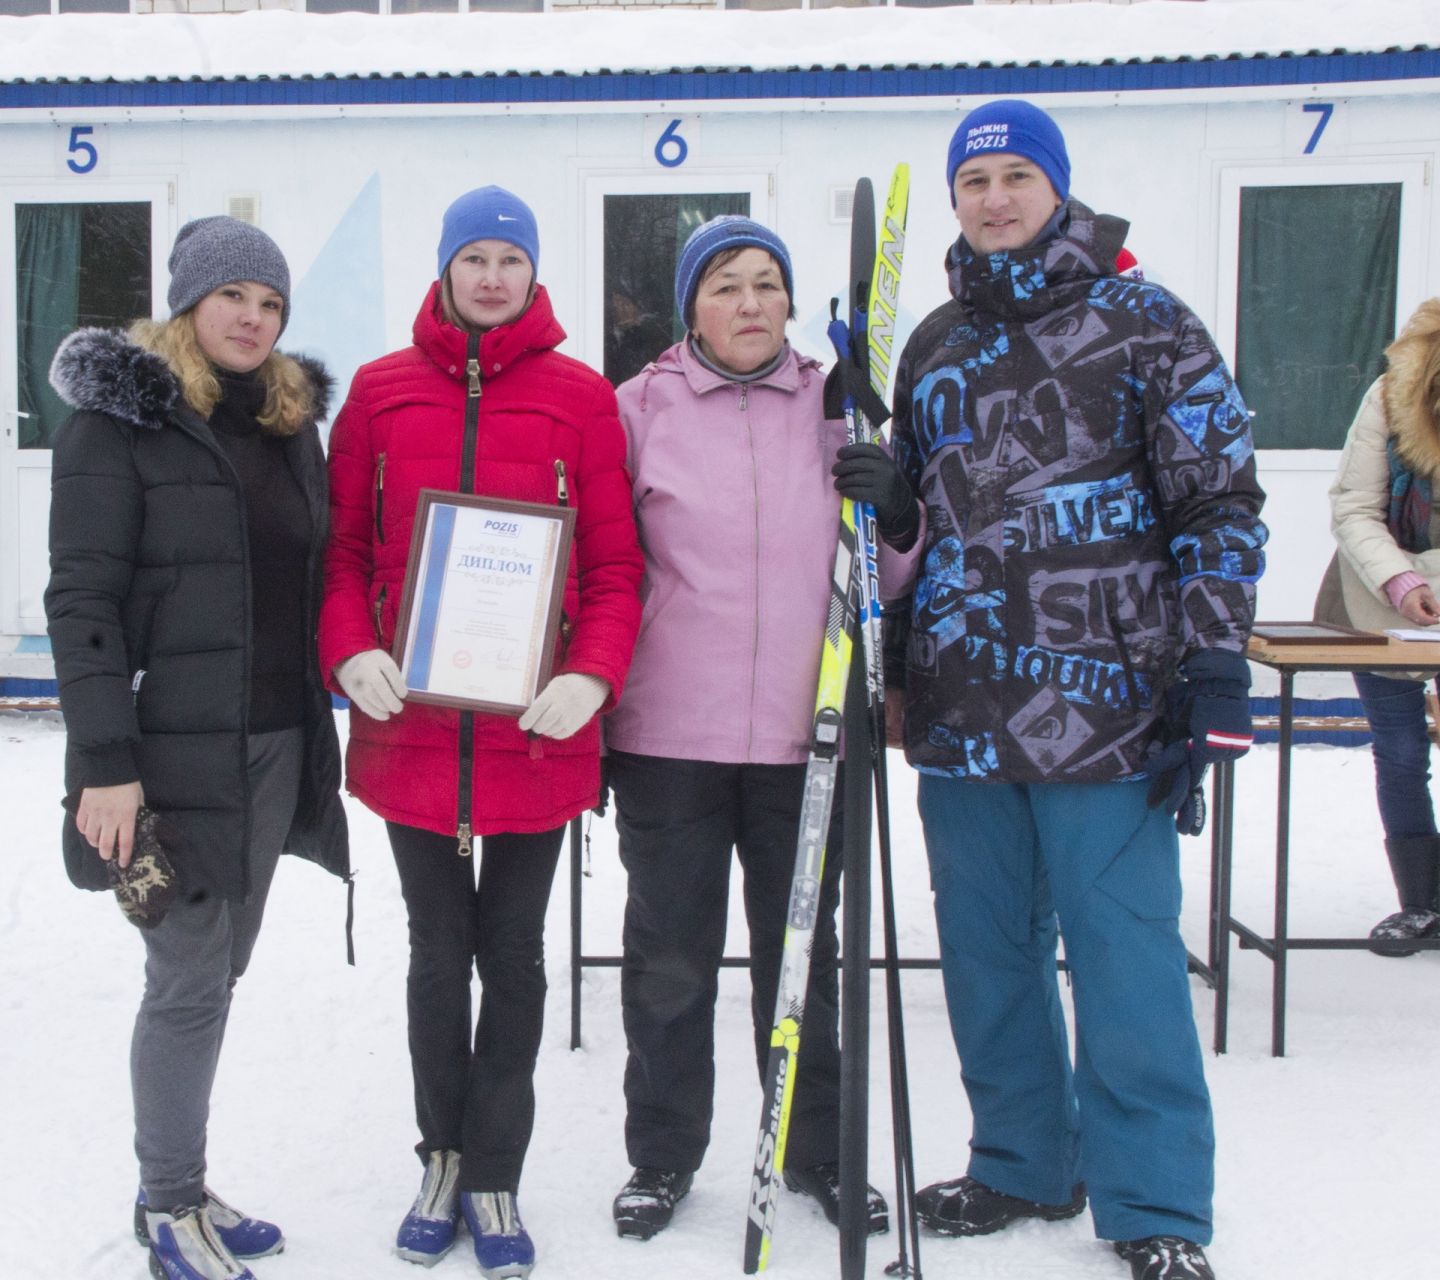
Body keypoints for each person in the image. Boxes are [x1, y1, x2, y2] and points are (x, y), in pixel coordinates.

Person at [888, 102, 1266, 1280]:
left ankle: (1156, 1198)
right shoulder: (934, 344)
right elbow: (912, 531)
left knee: (1124, 952)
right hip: (961, 707)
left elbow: (1220, 503)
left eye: (1014, 175)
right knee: (986, 948)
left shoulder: (1148, 321)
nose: (994, 198)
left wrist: (1213, 665)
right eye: (973, 181)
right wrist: (885, 509)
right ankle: (1019, 1158)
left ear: (1056, 185)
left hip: (1112, 704)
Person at [319, 185, 642, 1280]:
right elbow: (345, 557)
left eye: (512, 258)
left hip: (534, 736)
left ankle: (497, 1165)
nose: (493, 276)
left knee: (512, 956)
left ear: (534, 273)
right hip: (409, 726)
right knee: (434, 953)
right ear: (447, 269)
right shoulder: (377, 391)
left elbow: (613, 564)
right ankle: (443, 1154)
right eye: (476, 258)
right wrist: (348, 648)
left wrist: (593, 671)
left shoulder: (580, 396)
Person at [600, 216, 920, 1243]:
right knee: (669, 953)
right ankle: (662, 1151)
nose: (750, 303)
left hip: (806, 733)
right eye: (726, 285)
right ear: (690, 305)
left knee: (805, 957)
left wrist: (900, 510)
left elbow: (885, 572)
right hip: (668, 733)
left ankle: (815, 1145)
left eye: (768, 284)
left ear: (791, 300)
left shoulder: (840, 408)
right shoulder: (636, 410)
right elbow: (603, 561)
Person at [45, 215, 351, 1280]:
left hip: (272, 740)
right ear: (188, 303)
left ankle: (179, 1178)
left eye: (270, 304)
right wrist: (103, 761)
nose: (253, 318)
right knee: (185, 976)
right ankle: (169, 1202)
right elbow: (81, 601)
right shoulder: (118, 423)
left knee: (221, 969)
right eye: (233, 297)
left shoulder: (285, 422)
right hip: (165, 751)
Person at [1314, 298, 1440, 954]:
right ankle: (1420, 906)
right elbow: (1355, 504)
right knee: (1400, 752)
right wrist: (1404, 580)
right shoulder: (1393, 394)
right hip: (1381, 598)